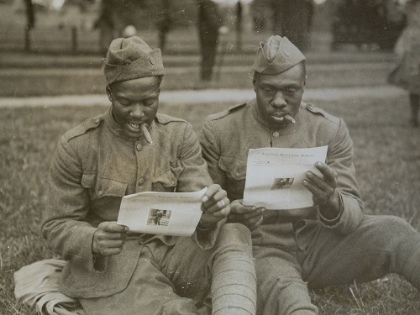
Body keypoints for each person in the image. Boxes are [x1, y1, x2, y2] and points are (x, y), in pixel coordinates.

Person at [200, 35, 420, 315]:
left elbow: (353, 214)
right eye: (268, 90)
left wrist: (331, 199)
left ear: (304, 86)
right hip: (261, 248)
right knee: (291, 297)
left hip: (320, 244)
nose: (278, 101)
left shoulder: (328, 129)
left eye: (290, 91)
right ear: (253, 83)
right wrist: (230, 213)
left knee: (396, 231)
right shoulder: (220, 130)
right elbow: (204, 219)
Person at [38, 36, 256, 315]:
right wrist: (92, 239)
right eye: (126, 102)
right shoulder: (78, 146)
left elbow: (199, 203)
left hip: (173, 250)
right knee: (166, 309)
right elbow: (55, 225)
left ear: (159, 93)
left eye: (148, 101)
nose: (138, 113)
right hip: (113, 266)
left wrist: (211, 213)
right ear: (109, 94)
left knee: (234, 233)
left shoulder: (179, 135)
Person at [388, 0, 420, 127]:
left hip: (413, 40)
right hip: (413, 42)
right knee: (414, 80)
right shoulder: (409, 4)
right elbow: (396, 15)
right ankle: (414, 117)